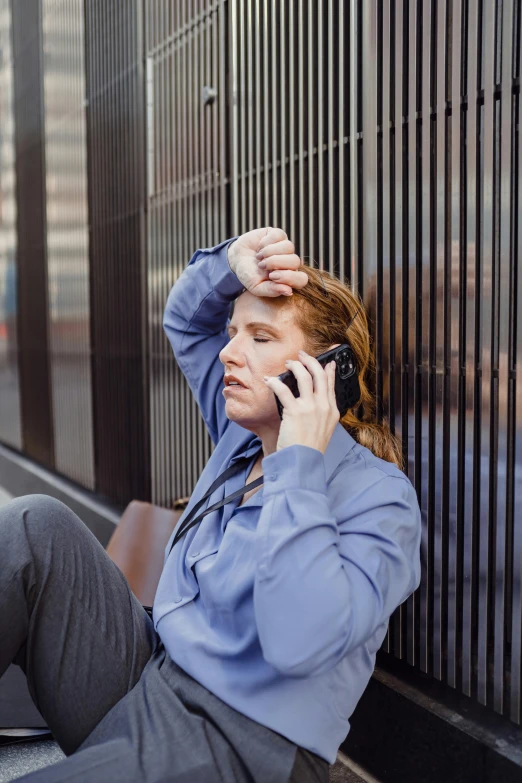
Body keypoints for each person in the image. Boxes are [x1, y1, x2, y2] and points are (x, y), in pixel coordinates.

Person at [0, 227, 421, 782]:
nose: (229, 352)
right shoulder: (240, 435)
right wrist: (231, 262)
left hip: (243, 747)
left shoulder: (378, 498)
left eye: (261, 338)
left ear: (326, 371)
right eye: (232, 332)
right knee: (37, 524)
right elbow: (185, 319)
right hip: (153, 683)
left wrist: (298, 464)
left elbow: (298, 643)